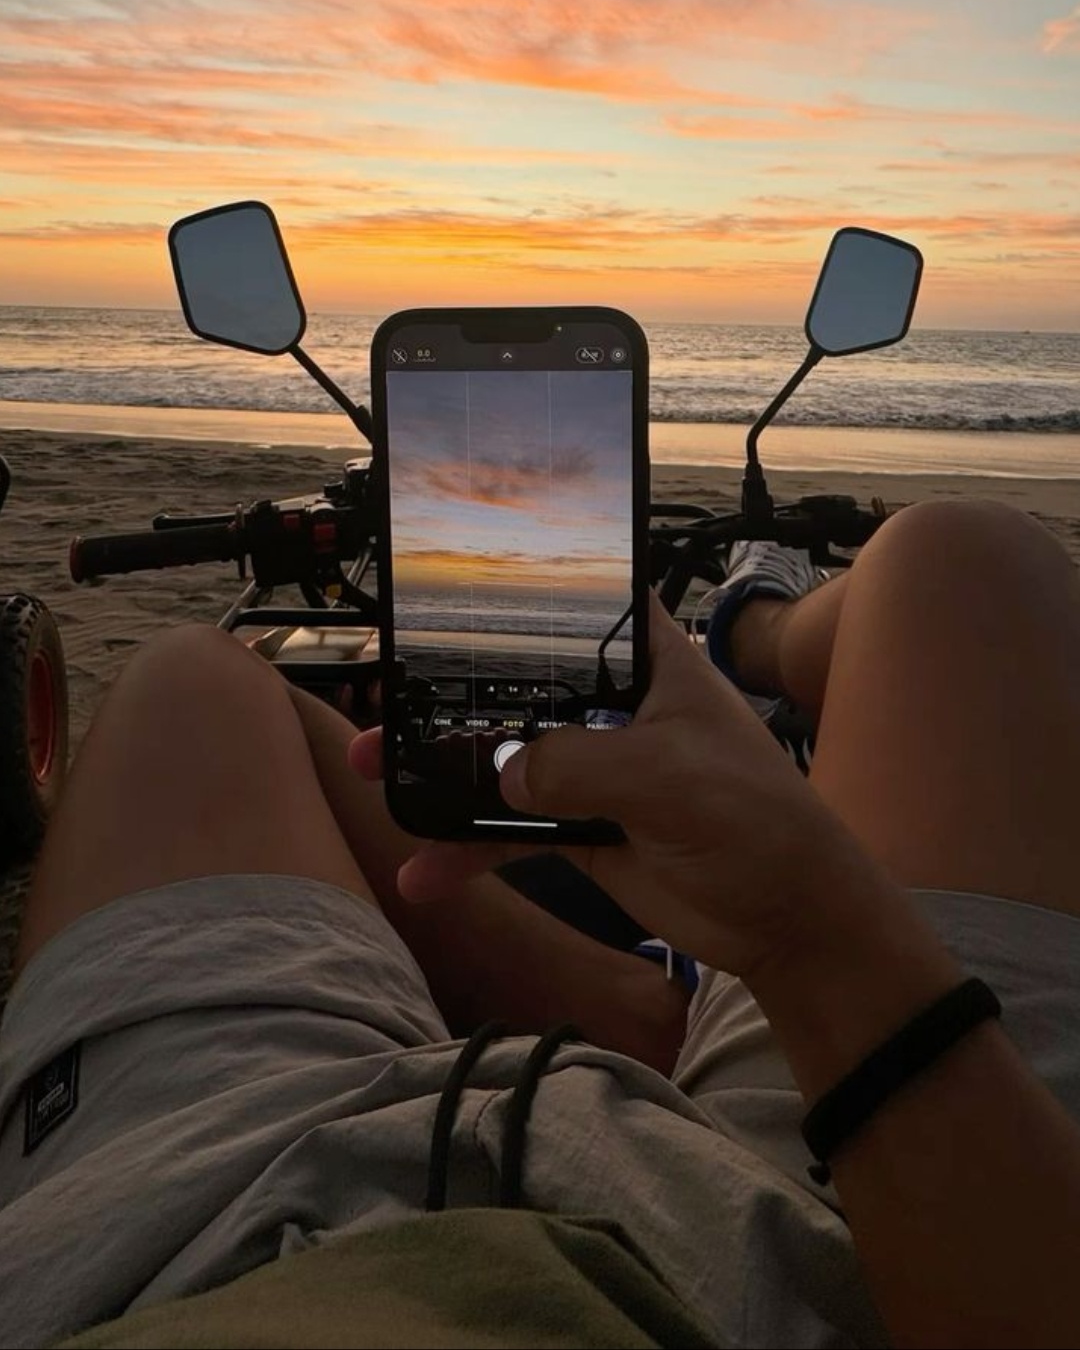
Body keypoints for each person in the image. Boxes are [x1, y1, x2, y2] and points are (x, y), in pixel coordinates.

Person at [1, 498, 1080, 1348]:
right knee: (960, 562)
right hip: (831, 1258)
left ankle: (635, 1007)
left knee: (194, 677)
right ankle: (750, 624)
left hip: (195, 1251)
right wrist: (815, 943)